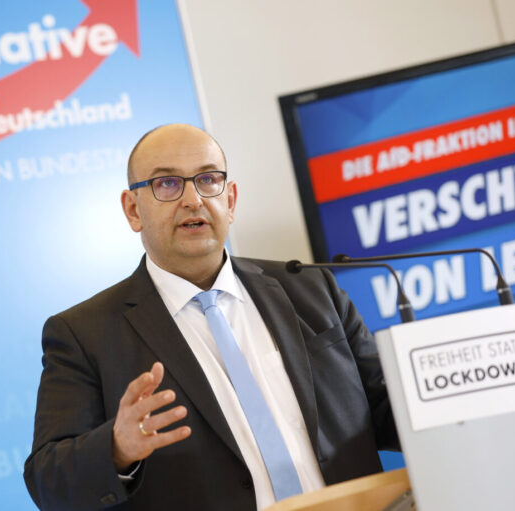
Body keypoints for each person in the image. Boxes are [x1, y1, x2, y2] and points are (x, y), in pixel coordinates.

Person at [23, 124, 399, 511]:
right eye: (167, 184)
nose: (193, 199)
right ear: (133, 210)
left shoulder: (310, 288)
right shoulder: (84, 333)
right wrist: (116, 449)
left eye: (207, 179)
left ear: (230, 201)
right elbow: (49, 481)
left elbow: (391, 411)